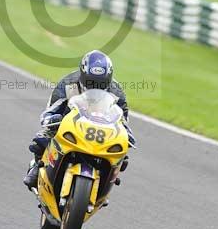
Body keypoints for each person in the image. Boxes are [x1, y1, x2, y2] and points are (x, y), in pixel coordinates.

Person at [23, 50, 135, 189]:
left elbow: (122, 119)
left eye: (100, 83)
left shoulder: (117, 92)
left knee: (122, 156)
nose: (95, 86)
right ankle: (37, 166)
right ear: (82, 74)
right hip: (69, 123)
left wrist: (126, 133)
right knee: (41, 138)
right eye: (91, 81)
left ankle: (105, 183)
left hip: (101, 129)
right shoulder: (67, 84)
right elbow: (51, 109)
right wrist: (51, 119)